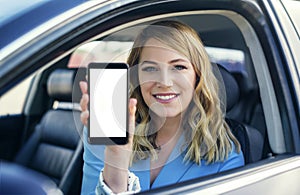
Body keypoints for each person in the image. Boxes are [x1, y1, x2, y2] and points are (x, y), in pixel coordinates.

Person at [79, 20, 244, 195]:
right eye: (150, 68)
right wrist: (116, 158)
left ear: (198, 76)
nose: (164, 82)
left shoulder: (224, 156)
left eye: (178, 67)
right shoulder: (110, 135)